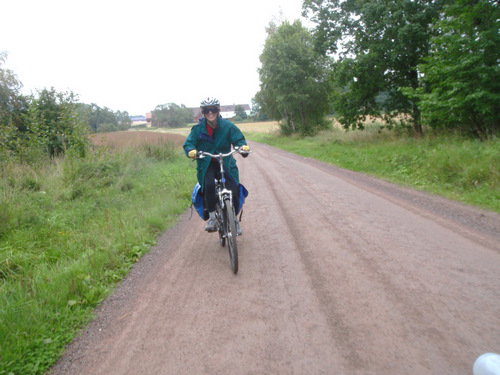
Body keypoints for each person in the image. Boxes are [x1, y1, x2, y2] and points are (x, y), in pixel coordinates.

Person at [183, 97, 250, 233]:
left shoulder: (227, 126)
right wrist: (191, 151)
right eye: (207, 110)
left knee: (233, 188)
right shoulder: (198, 129)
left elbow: (239, 140)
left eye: (213, 109)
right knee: (208, 185)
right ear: (203, 112)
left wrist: (242, 147)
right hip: (207, 164)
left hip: (225, 162)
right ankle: (213, 217)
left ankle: (234, 219)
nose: (210, 113)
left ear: (218, 110)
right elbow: (189, 143)